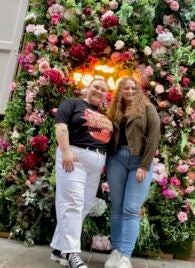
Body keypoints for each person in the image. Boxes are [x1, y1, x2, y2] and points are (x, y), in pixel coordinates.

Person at [50, 79, 113, 268]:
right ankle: (72, 253)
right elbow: (61, 126)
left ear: (105, 95)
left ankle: (58, 248)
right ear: (88, 88)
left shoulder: (104, 116)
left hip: (95, 164)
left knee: (84, 206)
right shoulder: (72, 104)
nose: (99, 91)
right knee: (73, 203)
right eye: (96, 87)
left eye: (103, 90)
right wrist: (66, 151)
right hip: (74, 157)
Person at [104, 77, 160, 268]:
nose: (129, 91)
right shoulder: (114, 111)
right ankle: (116, 252)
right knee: (117, 207)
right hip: (116, 160)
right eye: (125, 88)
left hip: (138, 160)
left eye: (133, 88)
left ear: (138, 91)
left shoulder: (147, 108)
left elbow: (153, 137)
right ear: (120, 91)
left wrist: (144, 165)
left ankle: (126, 257)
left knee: (131, 208)